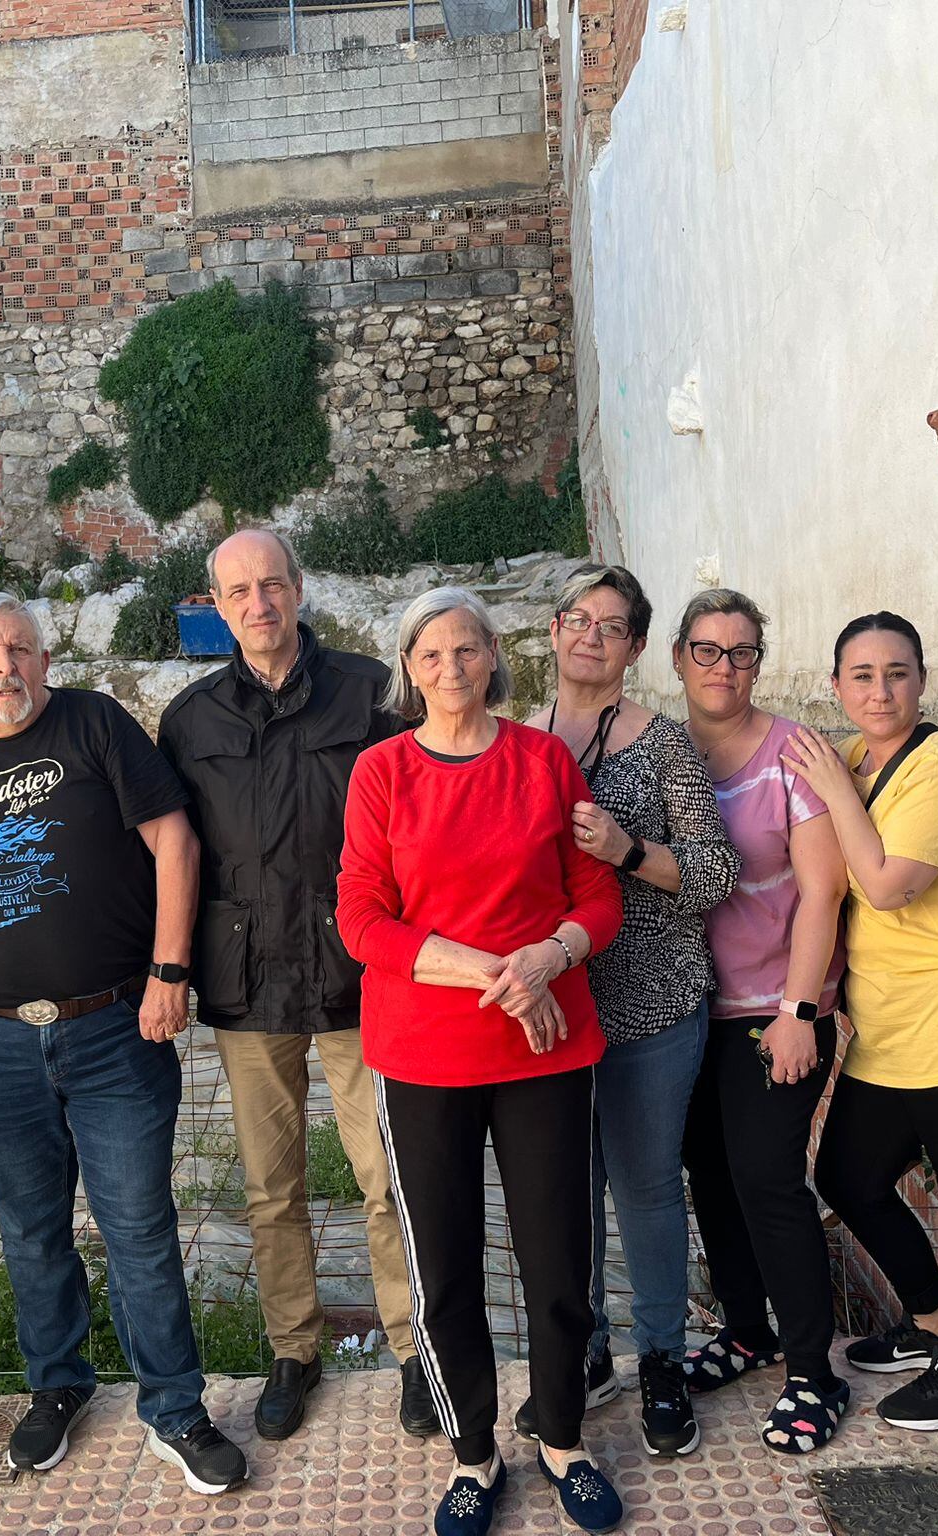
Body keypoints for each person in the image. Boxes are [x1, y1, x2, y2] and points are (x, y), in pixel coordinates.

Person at [0, 592, 247, 1496]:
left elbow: (175, 841)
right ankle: (56, 1388)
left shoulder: (94, 725)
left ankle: (174, 1409)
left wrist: (171, 974)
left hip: (115, 1029)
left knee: (138, 1227)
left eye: (20, 648)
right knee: (30, 1231)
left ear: (45, 660)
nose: (5, 666)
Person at [339, 586, 626, 1536]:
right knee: (444, 1261)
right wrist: (496, 972)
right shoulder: (381, 772)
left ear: (494, 655)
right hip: (425, 1054)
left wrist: (549, 957)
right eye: (432, 655)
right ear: (409, 670)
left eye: (468, 650)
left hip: (546, 1049)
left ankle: (562, 1441)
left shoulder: (544, 762)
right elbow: (362, 920)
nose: (453, 670)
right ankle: (472, 1453)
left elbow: (597, 899)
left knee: (557, 1256)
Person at [158, 529, 433, 1441]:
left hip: (363, 979)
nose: (259, 603)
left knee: (385, 1177)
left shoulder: (371, 693)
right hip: (247, 986)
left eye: (272, 584)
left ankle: (413, 1349)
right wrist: (168, 970)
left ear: (299, 589)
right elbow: (173, 857)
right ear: (217, 605)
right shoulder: (191, 720)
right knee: (271, 1188)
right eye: (238, 591)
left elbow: (419, 827)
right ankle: (293, 1350)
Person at [782, 612, 938, 1434]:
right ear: (837, 685)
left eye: (897, 673)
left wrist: (836, 793)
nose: (880, 690)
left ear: (924, 681)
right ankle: (929, 1317)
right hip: (888, 1027)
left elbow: (887, 885)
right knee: (849, 1176)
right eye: (862, 675)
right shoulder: (849, 758)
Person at [519, 565, 737, 1458]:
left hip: (649, 1004)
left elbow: (715, 874)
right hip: (550, 1009)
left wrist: (626, 849)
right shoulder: (513, 738)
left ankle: (659, 1362)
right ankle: (584, 1355)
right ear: (555, 630)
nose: (590, 635)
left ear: (636, 647)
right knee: (566, 1195)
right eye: (577, 618)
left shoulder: (666, 746)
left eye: (612, 626)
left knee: (645, 1190)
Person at [672, 590, 852, 1454]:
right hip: (686, 1012)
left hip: (770, 1011)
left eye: (742, 653)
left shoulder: (794, 754)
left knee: (768, 1180)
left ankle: (816, 1375)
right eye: (708, 651)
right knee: (710, 1176)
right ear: (678, 660)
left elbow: (825, 888)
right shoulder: (663, 752)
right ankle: (748, 1332)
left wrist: (798, 1011)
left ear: (759, 663)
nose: (725, 668)